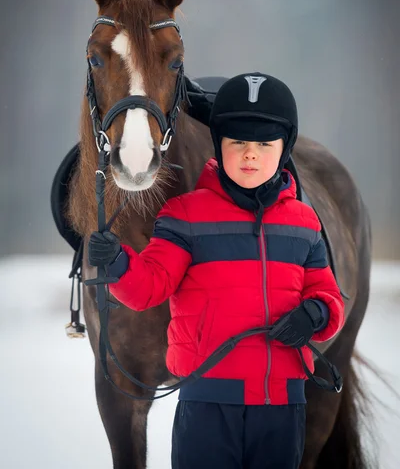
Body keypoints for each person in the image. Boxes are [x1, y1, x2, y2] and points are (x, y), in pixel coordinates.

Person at [88, 72, 345, 469]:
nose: (250, 155)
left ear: (285, 148)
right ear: (217, 145)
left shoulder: (305, 224)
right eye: (237, 142)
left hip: (281, 406)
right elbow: (150, 287)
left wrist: (314, 314)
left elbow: (328, 297)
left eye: (264, 144)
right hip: (207, 405)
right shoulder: (185, 216)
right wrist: (118, 261)